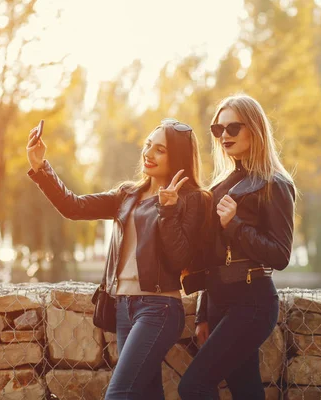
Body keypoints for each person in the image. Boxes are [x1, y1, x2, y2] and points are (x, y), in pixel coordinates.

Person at [26, 118, 210, 399]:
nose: (149, 153)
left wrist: (168, 211)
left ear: (179, 157)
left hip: (158, 308)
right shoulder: (127, 194)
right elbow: (73, 207)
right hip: (123, 307)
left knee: (119, 393)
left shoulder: (192, 200)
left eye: (160, 149)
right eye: (148, 145)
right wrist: (41, 167)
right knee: (146, 393)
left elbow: (179, 259)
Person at [178, 94, 296, 399]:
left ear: (254, 129)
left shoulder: (275, 184)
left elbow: (280, 255)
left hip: (252, 301)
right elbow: (211, 255)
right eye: (218, 130)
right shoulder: (221, 185)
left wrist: (235, 225)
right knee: (246, 390)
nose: (224, 136)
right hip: (219, 301)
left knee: (193, 385)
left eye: (233, 128)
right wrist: (204, 311)